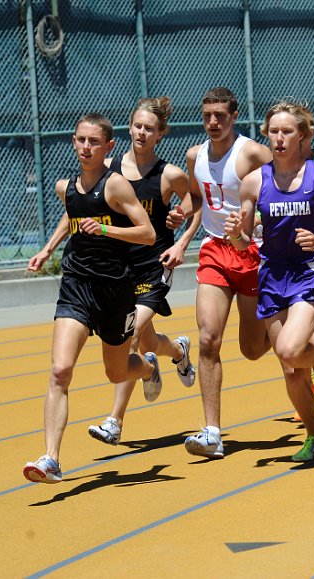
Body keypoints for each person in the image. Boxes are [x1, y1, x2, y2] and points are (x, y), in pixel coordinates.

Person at [22, 113, 157, 483]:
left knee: (116, 371)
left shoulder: (116, 187)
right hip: (76, 286)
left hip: (114, 291)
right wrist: (48, 249)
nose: (86, 147)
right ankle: (51, 459)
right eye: (81, 140)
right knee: (60, 370)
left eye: (94, 142)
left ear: (108, 147)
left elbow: (146, 233)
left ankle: (146, 366)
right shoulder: (67, 187)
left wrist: (109, 229)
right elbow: (72, 217)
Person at [225, 101, 314, 462]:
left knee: (292, 350)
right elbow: (245, 240)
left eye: (287, 131)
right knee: (289, 368)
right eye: (273, 131)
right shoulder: (254, 182)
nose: (279, 138)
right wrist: (235, 237)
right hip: (272, 275)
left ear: (302, 135)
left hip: (309, 273)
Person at [87, 97, 197, 446]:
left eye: (150, 128)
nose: (142, 132)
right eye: (137, 125)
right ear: (129, 127)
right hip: (120, 269)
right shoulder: (111, 168)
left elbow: (197, 200)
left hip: (154, 265)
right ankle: (178, 351)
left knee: (130, 337)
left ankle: (114, 422)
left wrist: (181, 231)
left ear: (160, 134)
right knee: (149, 341)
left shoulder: (169, 174)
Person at [183, 87, 273, 458]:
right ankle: (212, 432)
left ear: (234, 116)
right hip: (214, 249)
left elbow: (286, 177)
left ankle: (300, 344)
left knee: (252, 350)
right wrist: (182, 218)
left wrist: (263, 225)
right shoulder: (195, 155)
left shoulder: (251, 151)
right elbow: (196, 197)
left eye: (220, 115)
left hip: (251, 251)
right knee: (208, 339)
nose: (213, 122)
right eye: (207, 116)